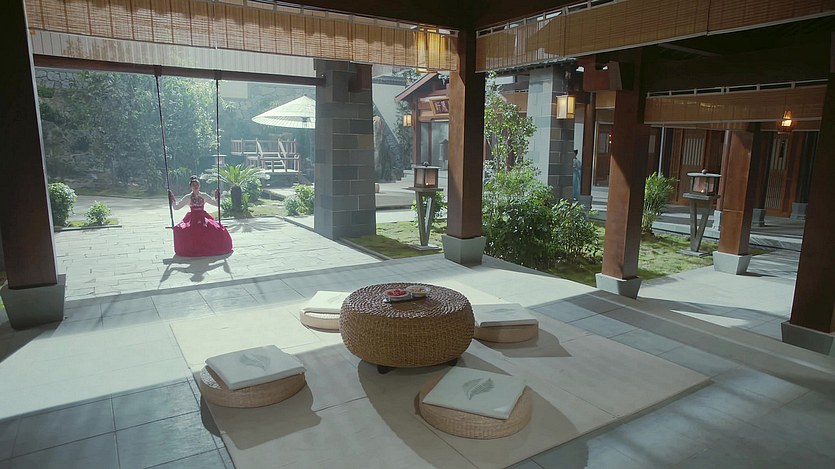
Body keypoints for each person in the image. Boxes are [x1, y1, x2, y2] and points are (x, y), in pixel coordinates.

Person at [168, 176, 233, 257]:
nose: (195, 186)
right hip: (192, 219)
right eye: (193, 185)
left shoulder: (204, 196)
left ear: (199, 185)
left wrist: (217, 197)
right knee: (181, 230)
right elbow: (176, 207)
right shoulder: (187, 197)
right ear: (191, 187)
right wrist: (172, 200)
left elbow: (216, 204)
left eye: (197, 184)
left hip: (203, 218)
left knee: (217, 229)